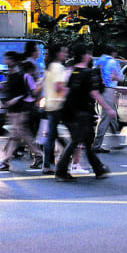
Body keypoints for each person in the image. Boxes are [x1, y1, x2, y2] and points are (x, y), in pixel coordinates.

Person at [55, 43, 113, 181]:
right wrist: (109, 108)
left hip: (71, 112)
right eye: (88, 53)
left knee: (86, 142)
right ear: (85, 56)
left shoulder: (73, 71)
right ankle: (61, 171)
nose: (90, 56)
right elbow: (95, 93)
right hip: (83, 113)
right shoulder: (89, 73)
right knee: (76, 142)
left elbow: (66, 91)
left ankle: (99, 169)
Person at [0, 51, 43, 172]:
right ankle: (38, 155)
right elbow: (10, 86)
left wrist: (14, 100)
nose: (5, 61)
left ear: (13, 61)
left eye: (8, 59)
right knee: (23, 134)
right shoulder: (11, 74)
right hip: (13, 110)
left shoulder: (20, 75)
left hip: (21, 109)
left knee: (14, 135)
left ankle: (6, 161)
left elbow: (25, 92)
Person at [42, 45, 69, 174]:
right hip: (59, 104)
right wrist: (70, 91)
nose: (66, 54)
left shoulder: (49, 67)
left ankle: (50, 161)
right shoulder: (58, 67)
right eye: (63, 51)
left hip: (50, 104)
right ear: (58, 53)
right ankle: (48, 163)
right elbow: (59, 87)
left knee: (53, 135)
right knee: (53, 136)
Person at [93, 46, 123, 153]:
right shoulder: (113, 62)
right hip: (109, 90)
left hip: (98, 90)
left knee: (112, 116)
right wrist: (115, 77)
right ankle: (97, 145)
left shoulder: (98, 61)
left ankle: (117, 140)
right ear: (113, 53)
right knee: (106, 117)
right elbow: (121, 77)